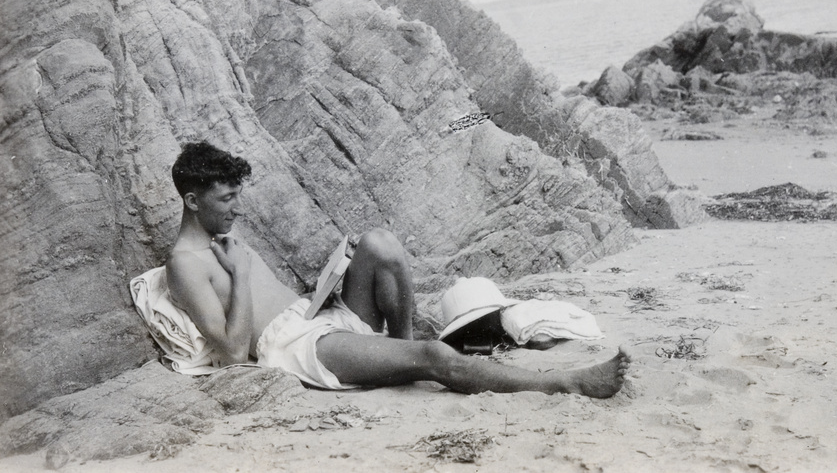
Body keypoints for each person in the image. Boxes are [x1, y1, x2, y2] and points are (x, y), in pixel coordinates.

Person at [165, 140, 630, 398]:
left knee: (379, 244)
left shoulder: (224, 239)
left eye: (237, 196)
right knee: (435, 357)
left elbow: (275, 302)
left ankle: (400, 350)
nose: (237, 208)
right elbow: (232, 354)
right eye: (227, 198)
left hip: (313, 319)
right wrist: (241, 274)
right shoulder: (184, 263)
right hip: (295, 348)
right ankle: (564, 383)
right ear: (192, 201)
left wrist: (326, 285)